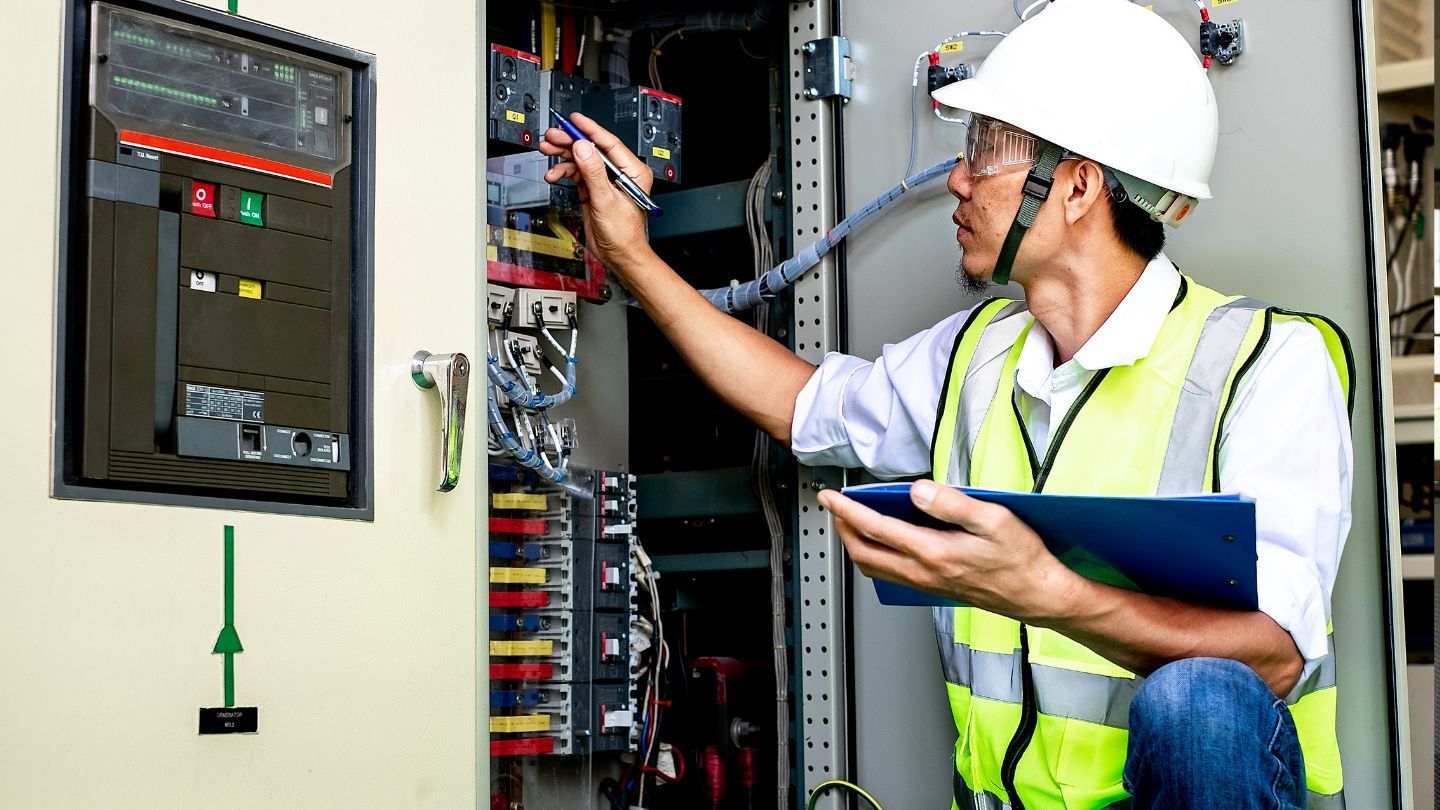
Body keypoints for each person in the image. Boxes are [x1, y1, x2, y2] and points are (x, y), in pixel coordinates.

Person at [539, 1, 1352, 807]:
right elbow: (802, 404)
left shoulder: (1265, 364)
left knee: (1197, 705)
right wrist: (631, 254)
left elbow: (1275, 657)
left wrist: (1045, 590)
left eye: (984, 154)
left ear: (1077, 186)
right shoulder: (978, 354)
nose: (957, 180)